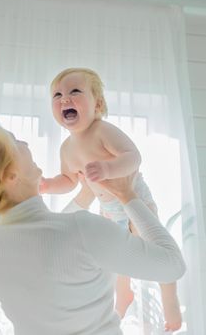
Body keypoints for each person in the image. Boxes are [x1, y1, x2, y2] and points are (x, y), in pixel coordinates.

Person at [0, 118, 186, 335]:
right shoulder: (83, 230)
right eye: (16, 142)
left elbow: (50, 245)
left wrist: (85, 194)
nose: (26, 144)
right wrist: (128, 195)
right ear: (10, 176)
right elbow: (173, 265)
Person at [40, 67, 182, 331]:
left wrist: (107, 169)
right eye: (57, 94)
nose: (64, 99)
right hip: (109, 210)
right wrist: (49, 185)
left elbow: (133, 156)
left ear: (98, 104)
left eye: (75, 91)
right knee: (119, 254)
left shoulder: (102, 130)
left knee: (156, 249)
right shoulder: (67, 148)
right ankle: (124, 294)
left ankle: (170, 300)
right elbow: (69, 180)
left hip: (137, 202)